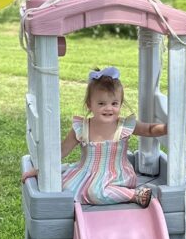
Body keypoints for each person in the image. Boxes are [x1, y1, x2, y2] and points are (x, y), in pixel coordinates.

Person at [21, 66, 167, 207]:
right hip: (86, 175)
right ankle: (81, 180)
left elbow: (149, 130)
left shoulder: (124, 125)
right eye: (101, 103)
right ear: (89, 105)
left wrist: (167, 128)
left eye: (114, 103)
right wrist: (41, 169)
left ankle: (134, 195)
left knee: (95, 193)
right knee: (65, 188)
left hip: (118, 176)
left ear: (120, 104)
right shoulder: (82, 128)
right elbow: (62, 151)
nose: (108, 108)